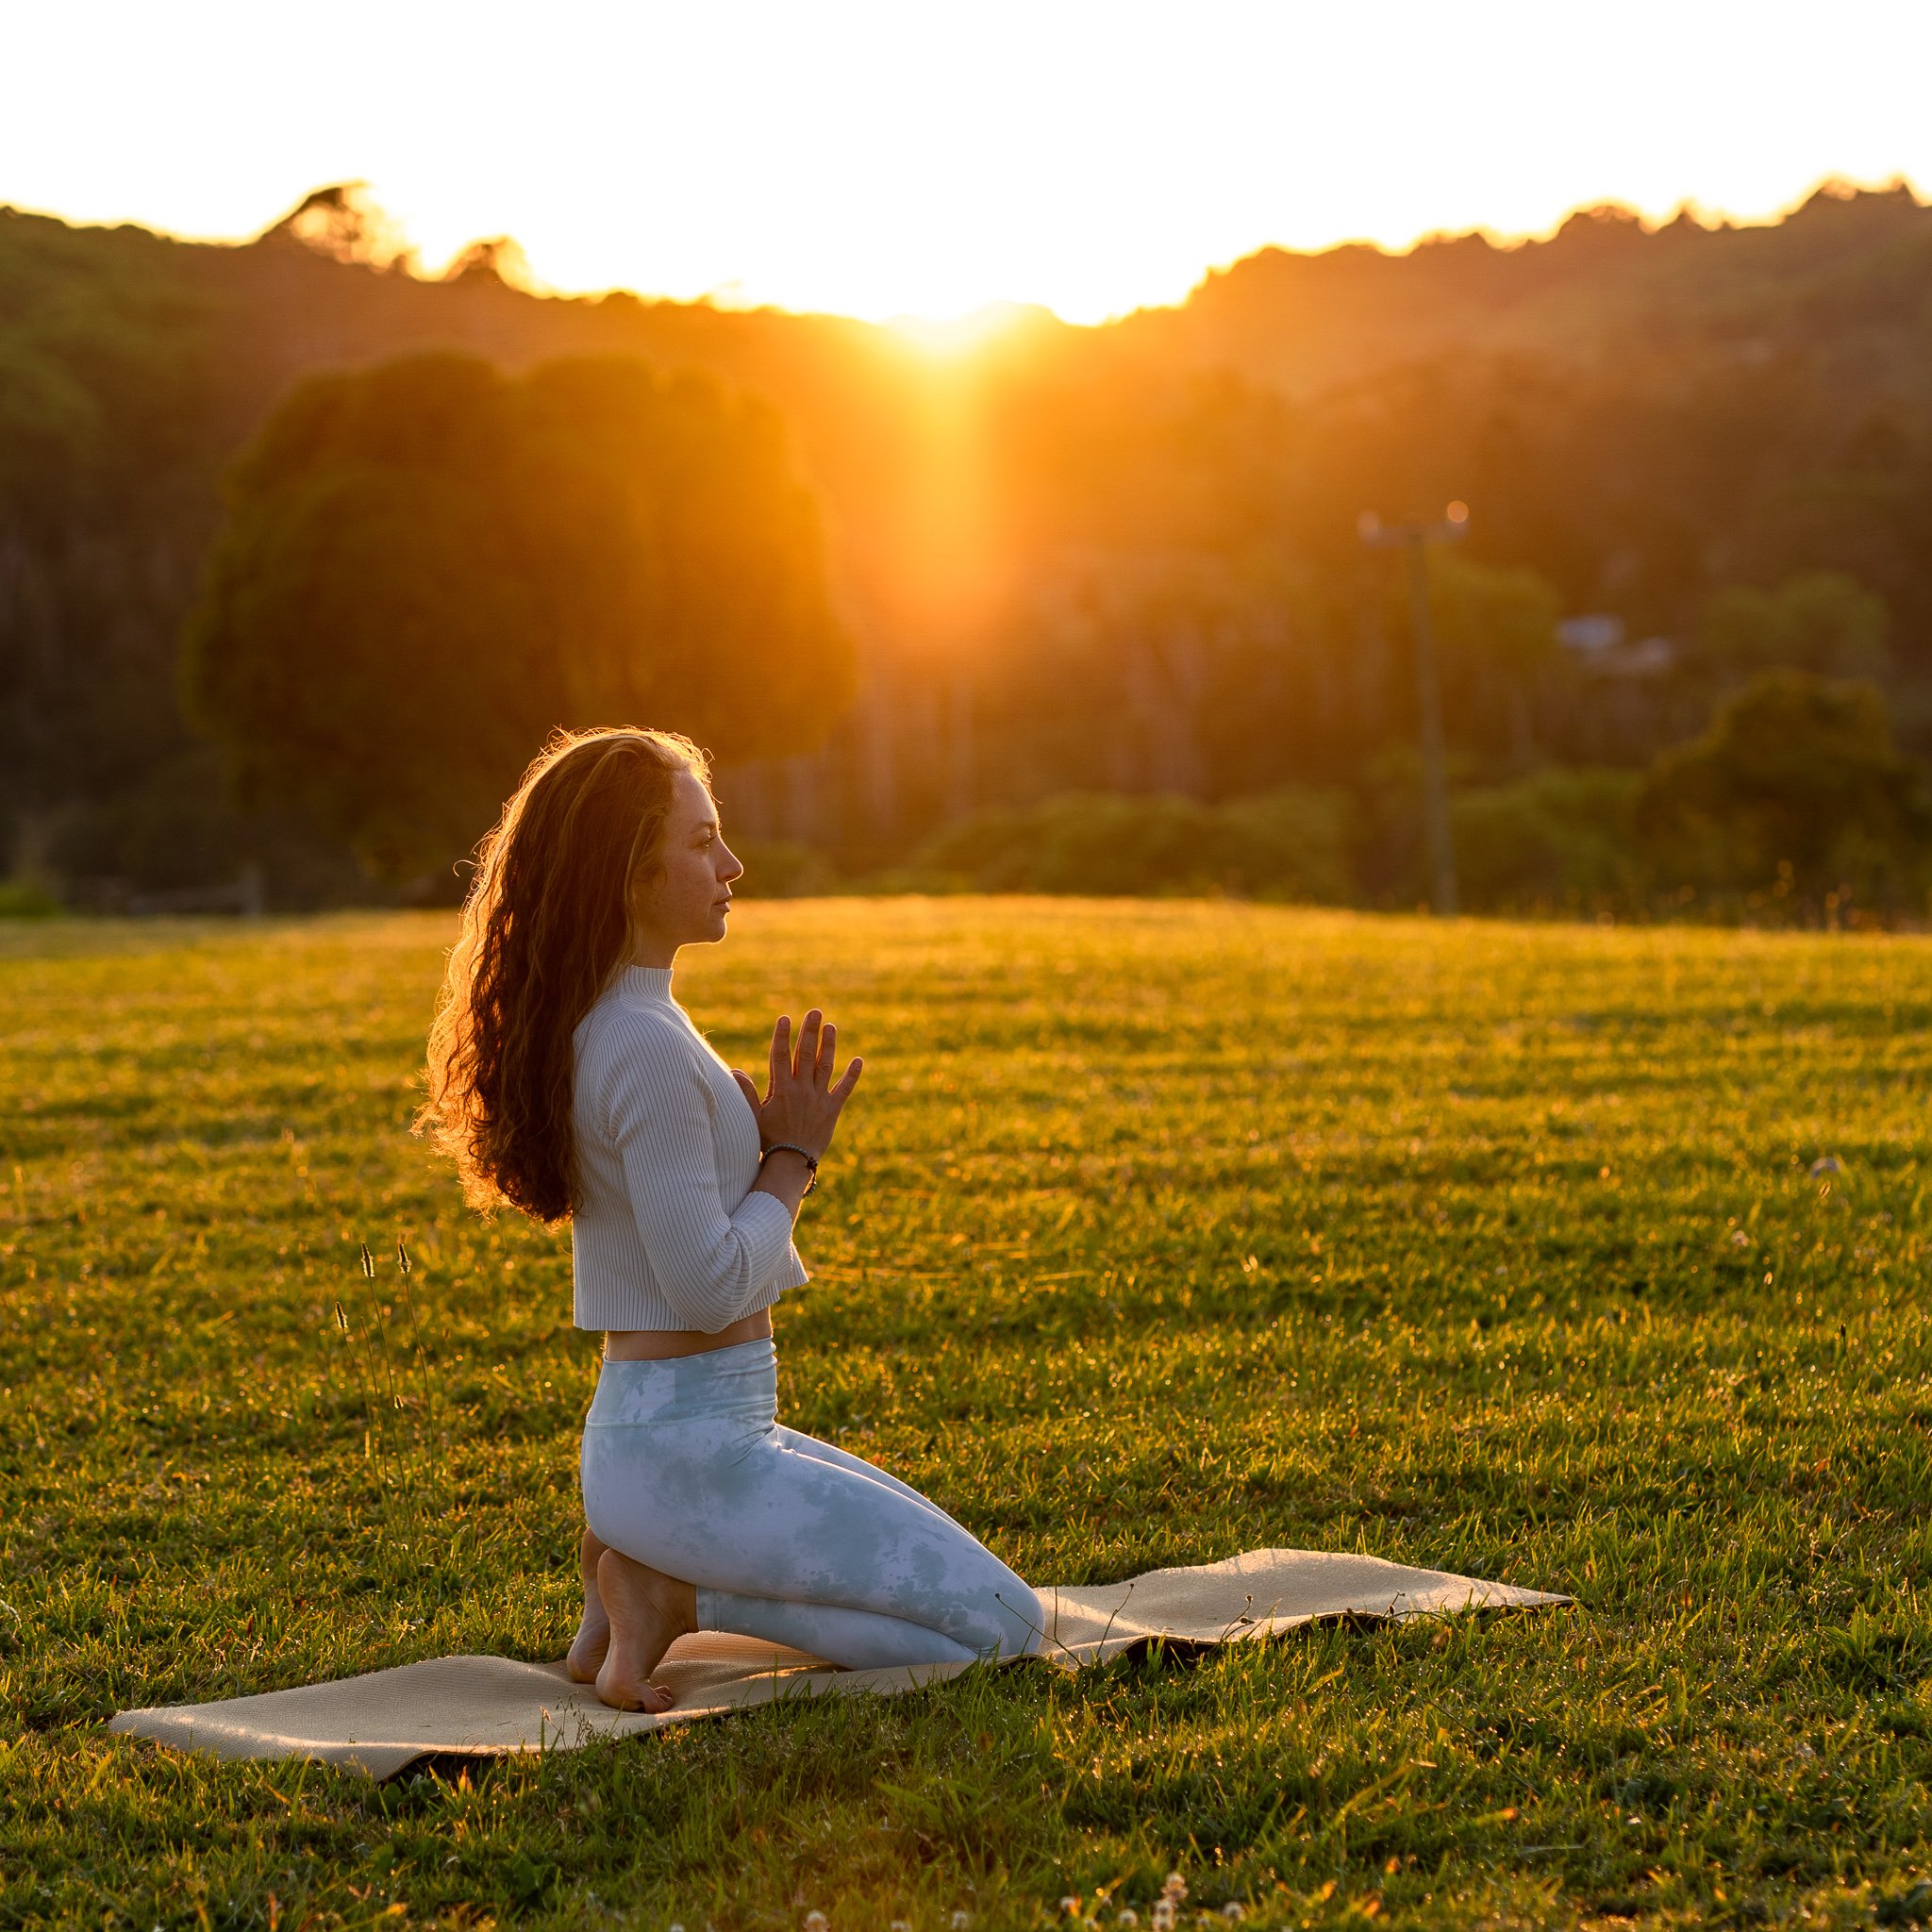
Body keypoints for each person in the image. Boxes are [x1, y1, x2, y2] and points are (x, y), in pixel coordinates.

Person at [417, 726, 1042, 1710]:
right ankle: (666, 1588)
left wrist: (750, 1158)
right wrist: (790, 1159)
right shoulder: (644, 1045)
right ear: (631, 870)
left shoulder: (626, 1022)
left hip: (685, 1438)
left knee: (997, 1612)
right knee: (1000, 1635)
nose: (731, 865)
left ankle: (647, 1575)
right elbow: (708, 1279)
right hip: (689, 1455)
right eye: (703, 842)